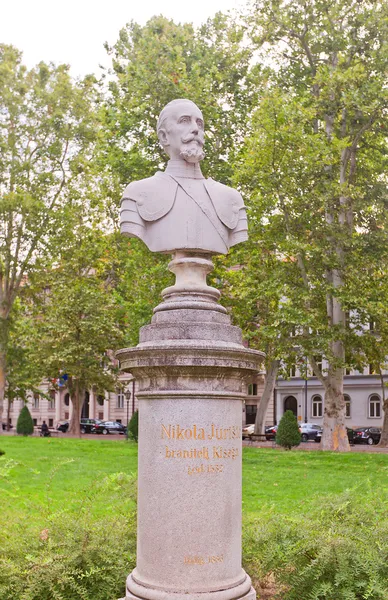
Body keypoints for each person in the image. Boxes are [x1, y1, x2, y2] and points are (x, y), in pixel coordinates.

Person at [120, 99, 248, 255]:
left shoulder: (231, 198)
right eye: (185, 121)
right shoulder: (138, 193)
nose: (195, 129)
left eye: (199, 124)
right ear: (164, 136)